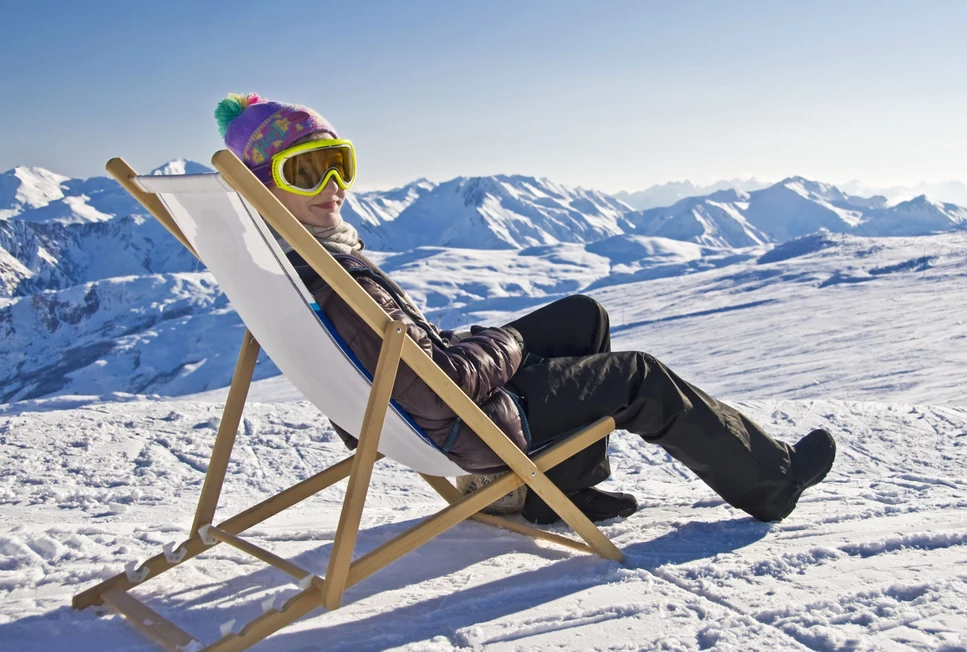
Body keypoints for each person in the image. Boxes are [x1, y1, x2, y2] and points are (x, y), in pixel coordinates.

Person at [215, 93, 836, 526]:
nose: (334, 188)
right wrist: (503, 345)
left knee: (581, 317)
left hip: (426, 403)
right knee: (638, 375)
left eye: (337, 164)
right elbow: (443, 384)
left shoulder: (288, 261)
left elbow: (400, 356)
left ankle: (556, 487)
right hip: (467, 422)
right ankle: (773, 482)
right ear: (266, 186)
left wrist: (468, 341)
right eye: (305, 172)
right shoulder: (332, 277)